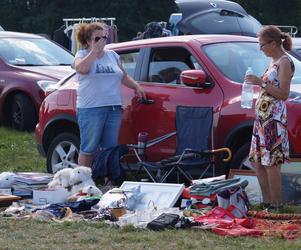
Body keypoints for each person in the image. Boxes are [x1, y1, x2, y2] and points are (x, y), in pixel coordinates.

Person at [73, 22, 145, 170]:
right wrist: (94, 52)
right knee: (89, 146)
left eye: (104, 37)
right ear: (88, 41)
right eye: (97, 38)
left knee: (110, 146)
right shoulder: (82, 55)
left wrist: (136, 86)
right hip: (91, 108)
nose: (102, 41)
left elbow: (123, 77)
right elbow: (82, 69)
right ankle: (82, 180)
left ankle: (107, 179)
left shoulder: (112, 55)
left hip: (113, 107)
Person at [246, 25, 294, 210]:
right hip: (262, 121)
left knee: (271, 163)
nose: (261, 49)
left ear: (273, 43)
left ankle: (276, 204)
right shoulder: (273, 61)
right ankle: (266, 202)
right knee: (257, 162)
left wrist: (261, 83)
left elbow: (283, 93)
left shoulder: (284, 62)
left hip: (273, 121)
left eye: (262, 45)